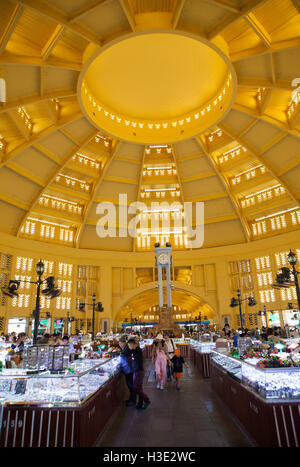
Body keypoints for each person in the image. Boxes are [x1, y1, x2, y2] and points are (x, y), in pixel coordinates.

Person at [127, 337, 150, 410]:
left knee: (136, 388)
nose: (128, 347)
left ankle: (147, 400)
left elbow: (130, 354)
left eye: (129, 345)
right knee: (139, 388)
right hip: (137, 371)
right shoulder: (135, 350)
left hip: (138, 371)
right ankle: (140, 404)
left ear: (133, 344)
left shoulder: (137, 350)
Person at [118, 335, 136, 407]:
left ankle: (133, 400)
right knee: (130, 385)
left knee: (131, 385)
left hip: (129, 370)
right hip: (129, 369)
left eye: (119, 343)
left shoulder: (125, 349)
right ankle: (131, 399)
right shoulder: (125, 348)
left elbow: (122, 357)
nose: (119, 345)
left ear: (123, 343)